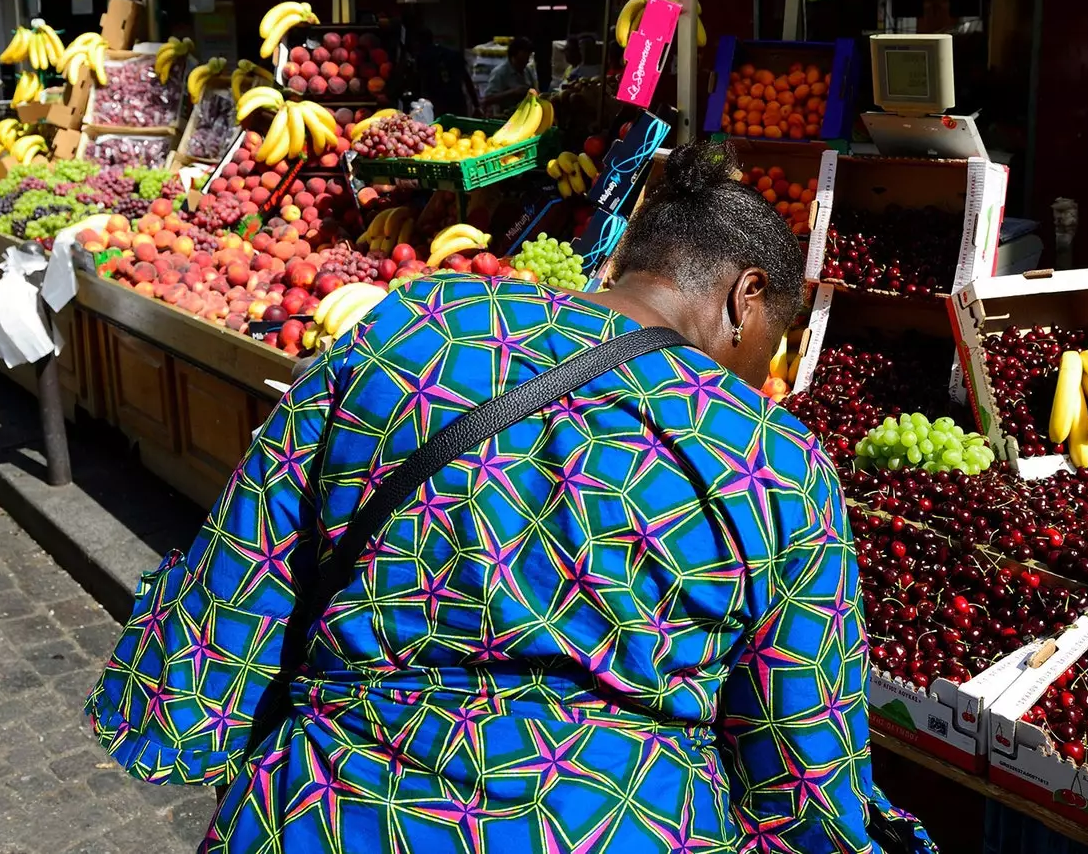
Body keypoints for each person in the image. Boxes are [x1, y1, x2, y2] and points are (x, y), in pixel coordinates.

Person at [86, 139, 933, 853]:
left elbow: (251, 556)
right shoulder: (774, 459)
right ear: (746, 298)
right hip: (611, 823)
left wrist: (188, 715)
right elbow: (800, 755)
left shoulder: (413, 330)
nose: (762, 375)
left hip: (337, 809)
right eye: (770, 346)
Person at [408, 27, 479, 119]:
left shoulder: (422, 57)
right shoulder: (452, 53)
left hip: (438, 104)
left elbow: (420, 83)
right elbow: (467, 79)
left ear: (417, 42)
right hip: (458, 100)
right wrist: (476, 105)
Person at [482, 35, 537, 116]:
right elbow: (487, 99)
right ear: (514, 55)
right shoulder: (500, 73)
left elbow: (535, 91)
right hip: (506, 117)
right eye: (523, 57)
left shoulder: (527, 70)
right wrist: (512, 92)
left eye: (528, 56)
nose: (527, 60)